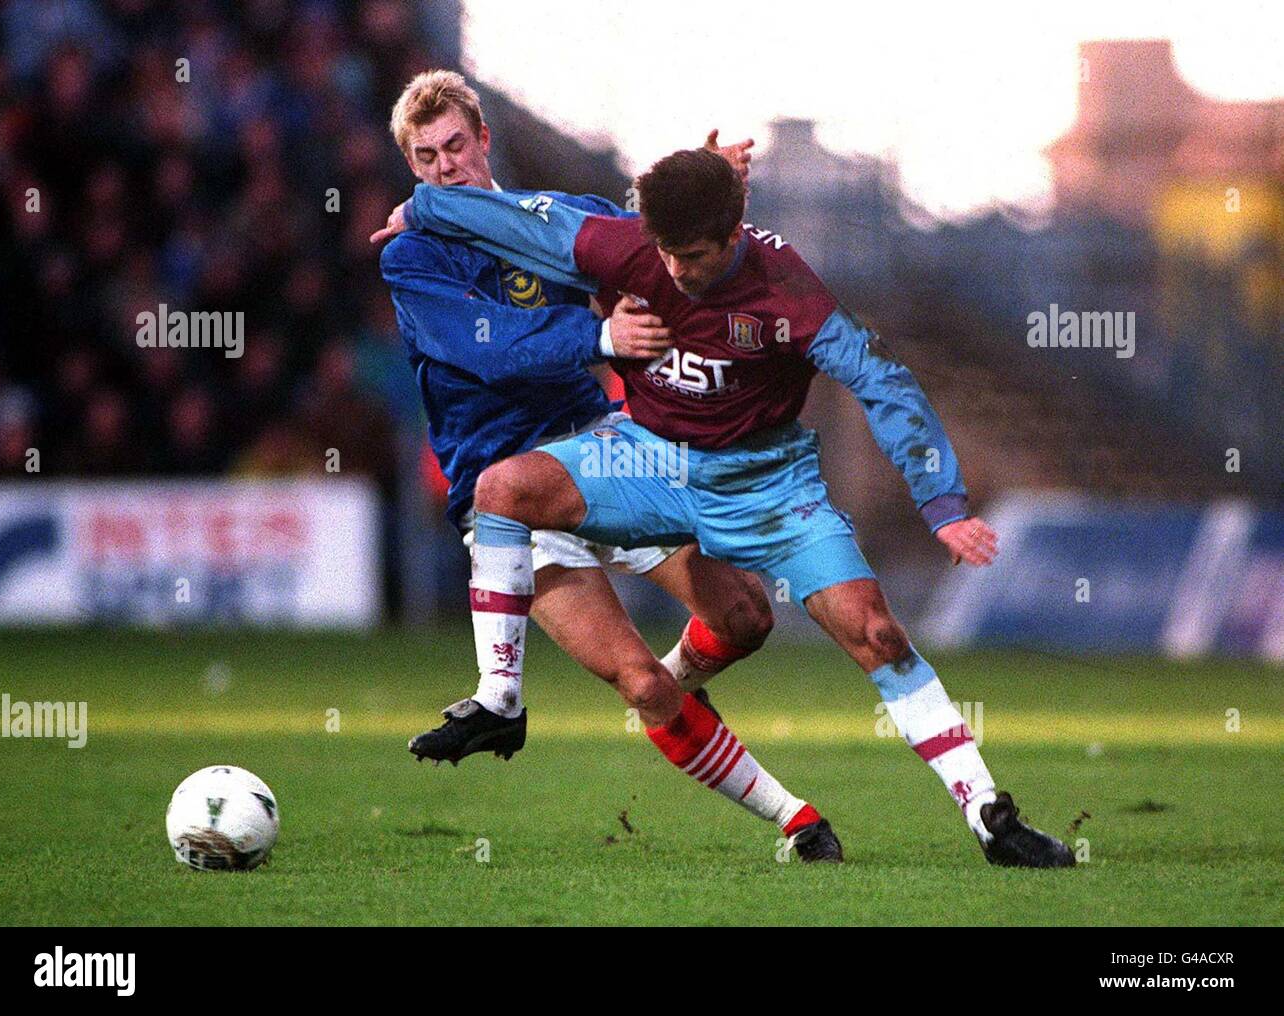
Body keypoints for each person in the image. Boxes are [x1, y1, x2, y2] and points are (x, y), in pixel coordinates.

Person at [394, 146, 1076, 868]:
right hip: (645, 458)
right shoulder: (632, 249)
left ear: (733, 234)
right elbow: (524, 221)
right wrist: (423, 206)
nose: (676, 271)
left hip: (766, 481)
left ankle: (987, 815)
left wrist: (943, 505)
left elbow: (886, 384)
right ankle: (501, 698)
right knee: (500, 490)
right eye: (666, 253)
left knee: (874, 633)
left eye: (691, 256)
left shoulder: (788, 293)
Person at [374, 71, 841, 861]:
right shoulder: (413, 257)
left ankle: (662, 700)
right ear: (414, 170)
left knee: (748, 617)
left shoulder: (548, 219)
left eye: (456, 145)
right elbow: (485, 348)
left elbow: (640, 234)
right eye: (427, 158)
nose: (447, 166)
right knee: (642, 683)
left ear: (484, 140)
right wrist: (598, 339)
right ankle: (798, 821)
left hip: (604, 449)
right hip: (510, 501)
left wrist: (707, 171)